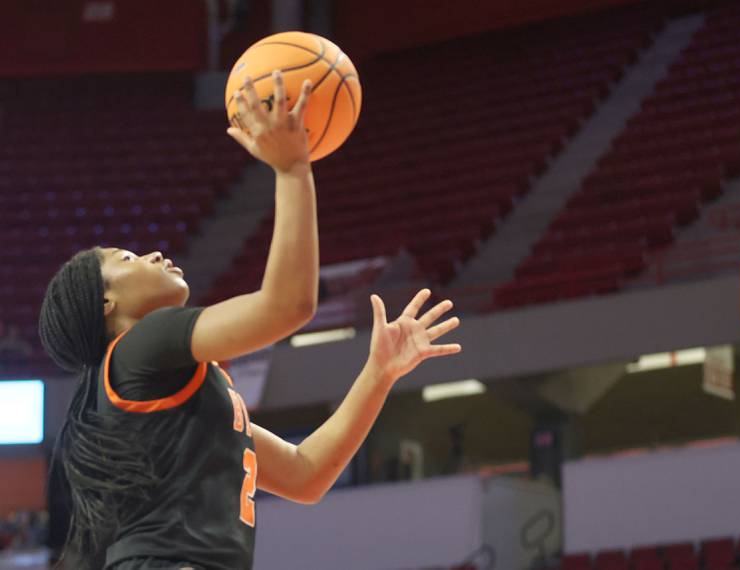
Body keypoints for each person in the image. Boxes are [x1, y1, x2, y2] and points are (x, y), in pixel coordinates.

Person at [37, 71, 462, 570]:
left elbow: (306, 475)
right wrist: (292, 170)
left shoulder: (175, 392)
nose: (152, 254)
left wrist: (379, 373)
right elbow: (287, 306)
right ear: (106, 303)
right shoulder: (142, 343)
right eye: (127, 258)